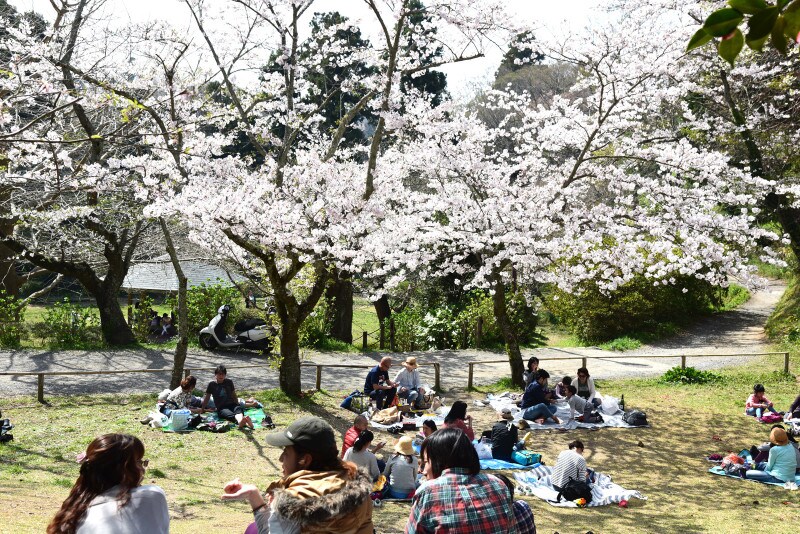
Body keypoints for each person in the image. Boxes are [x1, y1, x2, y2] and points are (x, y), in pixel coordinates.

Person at [222, 416, 374, 534]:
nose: (281, 459)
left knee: (252, 530)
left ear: (305, 460)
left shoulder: (294, 503)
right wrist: (253, 494)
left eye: (286, 452)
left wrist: (257, 502)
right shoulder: (354, 483)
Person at [47, 434, 169, 534]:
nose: (143, 468)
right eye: (140, 462)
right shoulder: (150, 496)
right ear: (126, 469)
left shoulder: (72, 515)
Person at [406, 428, 514, 533]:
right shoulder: (498, 484)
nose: (423, 471)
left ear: (440, 461)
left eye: (426, 462)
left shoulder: (428, 492)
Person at [201, 364, 253, 430]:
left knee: (238, 410)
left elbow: (233, 394)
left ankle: (241, 421)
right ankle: (243, 422)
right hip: (222, 407)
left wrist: (237, 403)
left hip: (232, 404)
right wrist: (202, 409)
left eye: (223, 374)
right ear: (215, 375)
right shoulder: (212, 384)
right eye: (219, 374)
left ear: (225, 375)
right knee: (228, 414)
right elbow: (207, 397)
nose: (221, 376)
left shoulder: (229, 382)